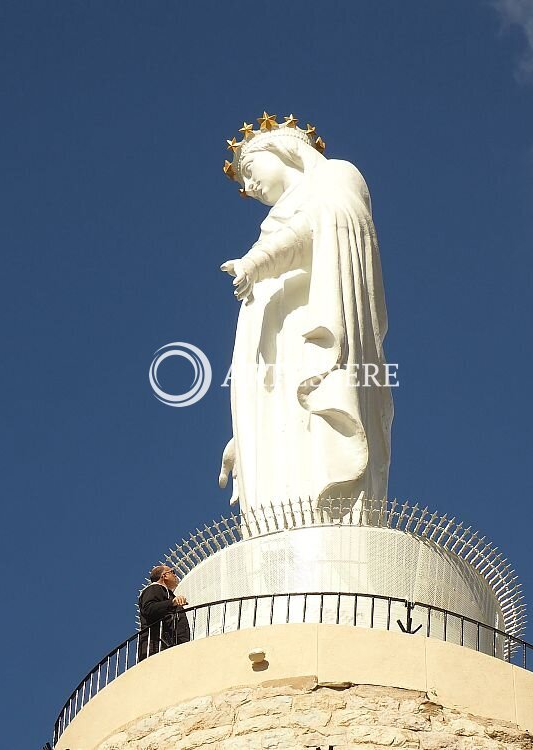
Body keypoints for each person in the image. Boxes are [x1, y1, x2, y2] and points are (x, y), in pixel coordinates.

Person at [218, 114, 393, 519]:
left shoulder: (334, 176)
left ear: (282, 149)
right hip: (276, 368)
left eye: (248, 169)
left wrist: (260, 260)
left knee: (318, 427)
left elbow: (326, 224)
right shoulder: (273, 224)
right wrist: (249, 430)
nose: (247, 187)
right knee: (285, 442)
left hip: (316, 334)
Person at [137, 565, 190, 660]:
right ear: (164, 575)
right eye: (173, 572)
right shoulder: (154, 589)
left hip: (167, 646)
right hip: (157, 647)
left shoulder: (167, 593)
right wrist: (172, 603)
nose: (175, 575)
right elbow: (149, 608)